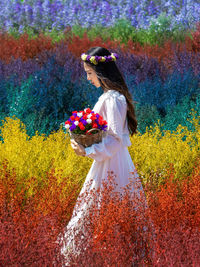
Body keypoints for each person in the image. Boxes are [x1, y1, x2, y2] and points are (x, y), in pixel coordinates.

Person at [58, 47, 153, 265]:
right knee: (100, 207)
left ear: (101, 72)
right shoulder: (110, 97)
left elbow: (114, 139)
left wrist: (87, 150)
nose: (88, 78)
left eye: (90, 73)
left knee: (101, 206)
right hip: (110, 161)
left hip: (111, 163)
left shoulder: (112, 99)